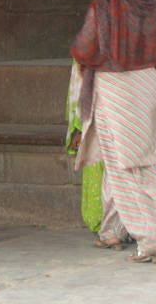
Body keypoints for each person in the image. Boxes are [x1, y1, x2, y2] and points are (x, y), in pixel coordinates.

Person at [71, 0, 156, 263]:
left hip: (114, 87)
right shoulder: (155, 9)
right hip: (145, 86)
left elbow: (83, 49)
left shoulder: (104, 4)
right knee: (132, 161)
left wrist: (83, 60)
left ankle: (152, 237)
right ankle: (112, 230)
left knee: (124, 166)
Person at [65, 59, 104, 235]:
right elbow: (77, 90)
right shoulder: (83, 52)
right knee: (96, 172)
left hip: (117, 119)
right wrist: (77, 129)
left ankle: (121, 227)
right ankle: (101, 225)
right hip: (91, 124)